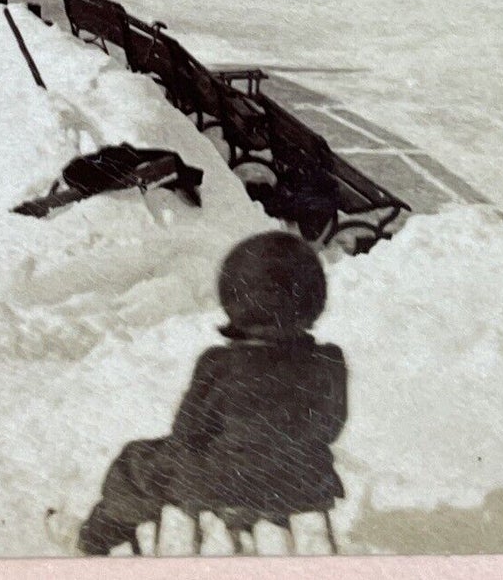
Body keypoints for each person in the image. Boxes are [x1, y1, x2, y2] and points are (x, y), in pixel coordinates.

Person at [77, 231, 348, 556]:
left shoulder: (219, 363)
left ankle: (99, 537)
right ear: (314, 298)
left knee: (134, 462)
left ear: (232, 296)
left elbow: (187, 433)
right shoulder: (328, 361)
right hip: (302, 481)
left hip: (220, 480)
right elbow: (329, 427)